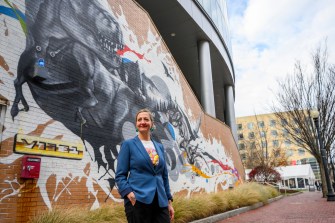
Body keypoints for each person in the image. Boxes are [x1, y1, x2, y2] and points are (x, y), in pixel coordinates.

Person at [115, 108, 174, 223]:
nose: (142, 122)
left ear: (152, 124)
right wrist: (129, 193)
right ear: (136, 124)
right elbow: (120, 175)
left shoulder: (159, 147)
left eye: (146, 119)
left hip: (160, 201)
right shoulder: (128, 145)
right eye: (139, 120)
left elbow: (164, 176)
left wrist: (168, 202)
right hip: (138, 200)